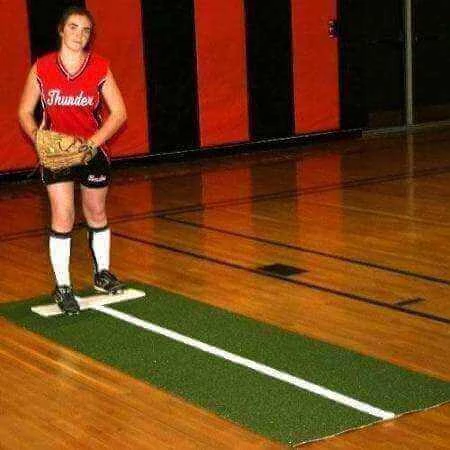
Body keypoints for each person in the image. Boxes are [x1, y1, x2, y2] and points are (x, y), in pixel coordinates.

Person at [18, 6, 127, 315]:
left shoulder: (100, 67)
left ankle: (102, 273)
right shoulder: (42, 68)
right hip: (58, 155)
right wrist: (37, 137)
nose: (80, 35)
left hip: (91, 151)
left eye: (86, 30)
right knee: (63, 216)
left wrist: (92, 143)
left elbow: (119, 113)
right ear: (61, 30)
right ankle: (63, 286)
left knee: (96, 211)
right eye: (74, 27)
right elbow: (24, 111)